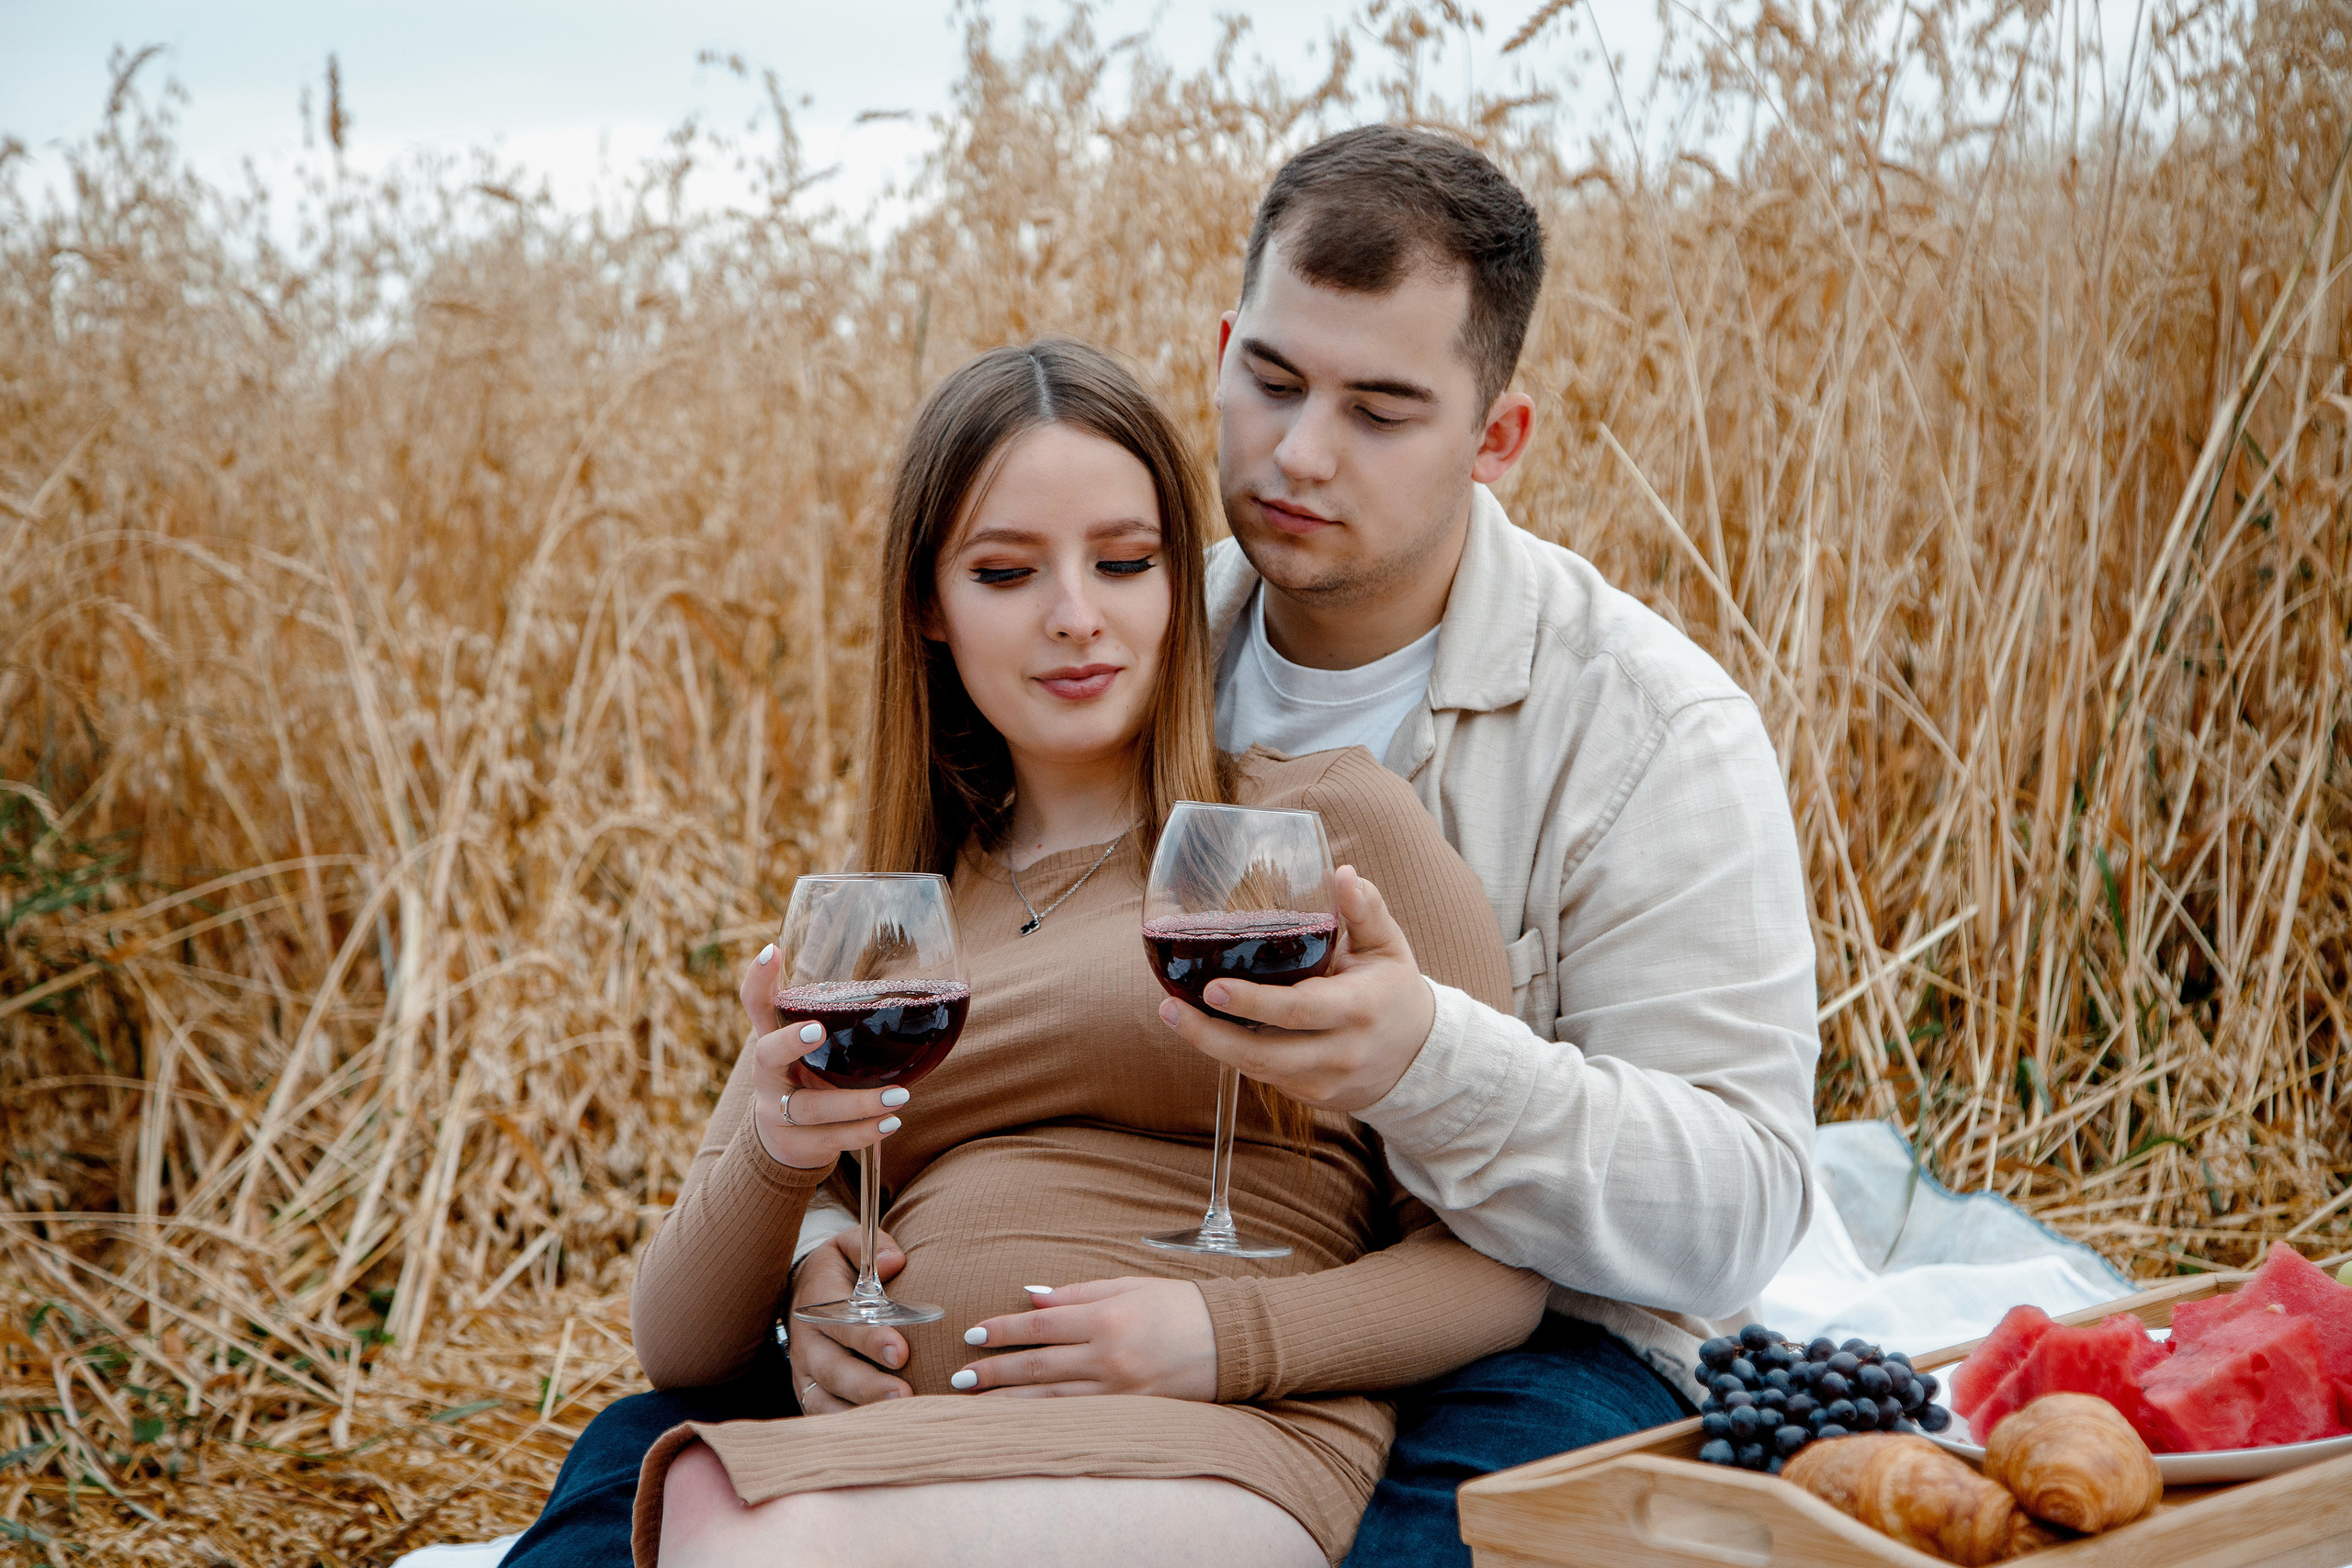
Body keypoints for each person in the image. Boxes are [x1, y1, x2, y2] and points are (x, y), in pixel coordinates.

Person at [502, 126, 1818, 1568]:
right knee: (627, 1477)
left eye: (1380, 410)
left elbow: (1732, 1211)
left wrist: (1420, 1064)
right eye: (1270, 381)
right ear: (1220, 351)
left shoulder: (1643, 728)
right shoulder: (1116, 632)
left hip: (1522, 1327)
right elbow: (863, 1109)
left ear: (1493, 440)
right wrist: (816, 1244)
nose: (1301, 453)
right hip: (982, 1373)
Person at [616, 338, 1549, 1566]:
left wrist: (1228, 1338)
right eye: (1007, 572)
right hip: (884, 1455)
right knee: (701, 1507)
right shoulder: (883, 926)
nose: (1077, 619)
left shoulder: (1318, 837)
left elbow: (1503, 1266)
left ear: (1179, 584)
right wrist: (790, 1211)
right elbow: (678, 1346)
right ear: (928, 608)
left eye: (1124, 562)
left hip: (1202, 1444)